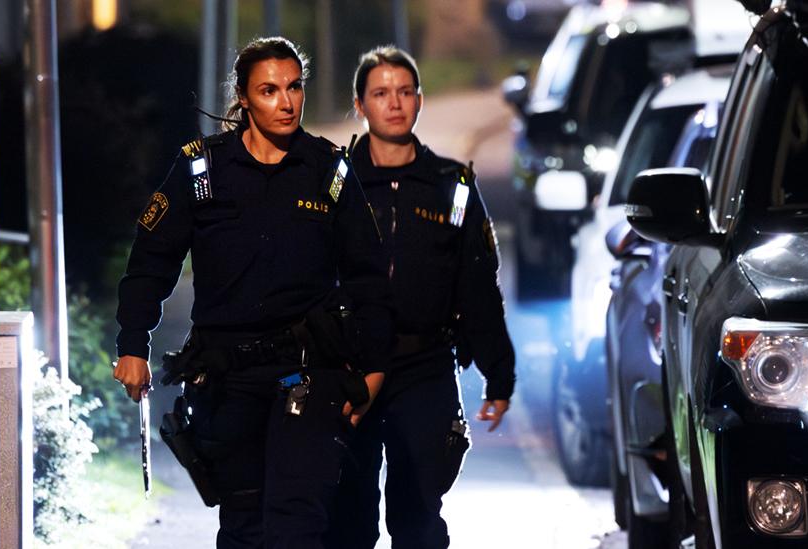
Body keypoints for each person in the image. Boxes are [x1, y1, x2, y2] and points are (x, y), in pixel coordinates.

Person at [112, 36, 393, 549]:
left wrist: (373, 370)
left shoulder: (328, 171)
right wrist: (133, 343)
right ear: (242, 97)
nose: (285, 102)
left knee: (297, 524)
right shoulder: (201, 169)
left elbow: (369, 278)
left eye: (294, 87)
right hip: (226, 377)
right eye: (269, 90)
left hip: (307, 374)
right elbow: (151, 261)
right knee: (244, 526)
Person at [326, 46, 516, 549]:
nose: (395, 103)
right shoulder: (333, 183)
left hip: (424, 366)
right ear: (360, 104)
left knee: (418, 516)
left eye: (405, 92)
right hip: (347, 368)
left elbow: (478, 285)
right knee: (347, 517)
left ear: (420, 101)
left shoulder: (451, 187)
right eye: (381, 93)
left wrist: (500, 372)